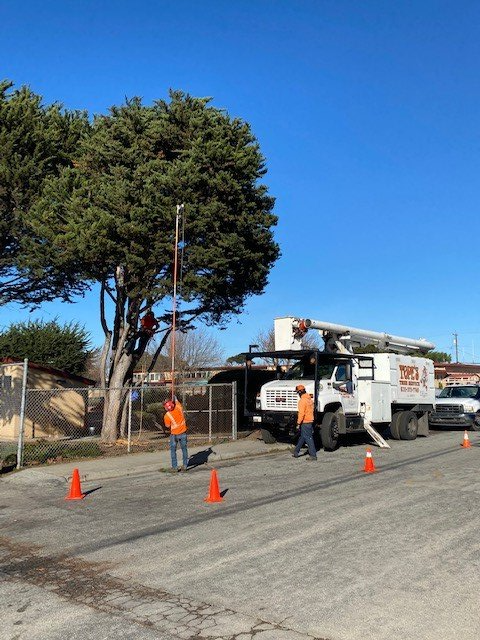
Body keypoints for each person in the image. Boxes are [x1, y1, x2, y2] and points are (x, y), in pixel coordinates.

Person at [292, 384, 317, 461]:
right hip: (310, 421)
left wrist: (298, 423)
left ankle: (313, 455)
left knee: (308, 438)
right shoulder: (310, 400)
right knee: (303, 436)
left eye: (297, 393)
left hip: (305, 421)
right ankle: (296, 451)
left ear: (300, 392)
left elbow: (301, 413)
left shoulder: (302, 401)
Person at [163, 398, 189, 473]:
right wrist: (174, 397)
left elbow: (167, 426)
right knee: (184, 449)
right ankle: (185, 465)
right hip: (183, 433)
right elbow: (176, 400)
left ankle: (175, 467)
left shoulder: (167, 415)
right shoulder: (179, 406)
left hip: (174, 435)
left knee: (173, 451)